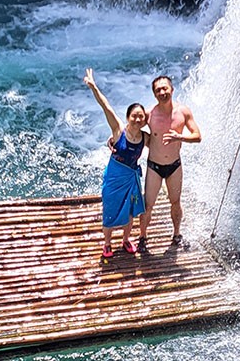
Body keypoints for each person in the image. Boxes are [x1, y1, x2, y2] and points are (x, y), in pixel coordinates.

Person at [83, 68, 149, 259]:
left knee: (129, 211)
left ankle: (126, 239)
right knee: (110, 209)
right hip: (114, 176)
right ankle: (107, 244)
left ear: (144, 120)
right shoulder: (119, 131)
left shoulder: (146, 137)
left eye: (141, 116)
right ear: (128, 117)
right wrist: (93, 86)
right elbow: (106, 106)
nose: (137, 119)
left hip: (131, 177)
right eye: (134, 115)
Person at [137, 75, 201, 252]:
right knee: (147, 204)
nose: (162, 92)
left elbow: (197, 136)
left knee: (175, 202)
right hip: (154, 166)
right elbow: (132, 128)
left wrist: (180, 137)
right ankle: (142, 237)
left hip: (174, 165)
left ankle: (177, 234)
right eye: (158, 90)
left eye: (165, 88)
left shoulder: (183, 112)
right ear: (154, 94)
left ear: (172, 90)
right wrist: (113, 139)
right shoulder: (149, 114)